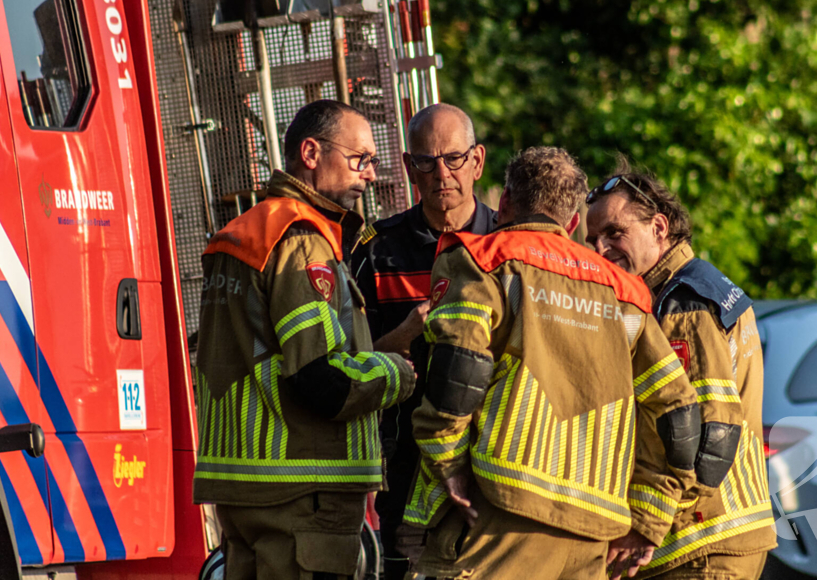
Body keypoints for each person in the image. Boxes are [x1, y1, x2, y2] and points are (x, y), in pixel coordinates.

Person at [406, 147, 702, 580]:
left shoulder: (483, 261)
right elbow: (679, 414)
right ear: (573, 222)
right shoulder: (626, 294)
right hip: (594, 530)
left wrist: (446, 466)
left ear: (505, 203)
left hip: (502, 512)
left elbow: (458, 373)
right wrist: (647, 520)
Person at [193, 100, 416, 580]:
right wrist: (397, 374)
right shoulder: (301, 240)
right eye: (361, 159)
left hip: (245, 493)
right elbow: (318, 379)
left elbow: (263, 359)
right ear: (311, 153)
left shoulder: (241, 234)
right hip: (302, 494)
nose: (371, 175)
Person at [585, 162, 776, 580]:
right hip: (717, 539)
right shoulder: (699, 286)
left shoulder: (680, 305)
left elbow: (709, 431)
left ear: (658, 227)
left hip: (701, 545)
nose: (600, 250)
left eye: (615, 233)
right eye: (592, 239)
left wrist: (648, 526)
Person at [349, 103, 497, 579]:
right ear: (410, 167)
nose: (441, 173)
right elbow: (351, 360)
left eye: (453, 159)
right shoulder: (378, 250)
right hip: (406, 461)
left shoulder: (507, 243)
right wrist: (406, 334)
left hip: (491, 458)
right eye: (425, 161)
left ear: (477, 161)